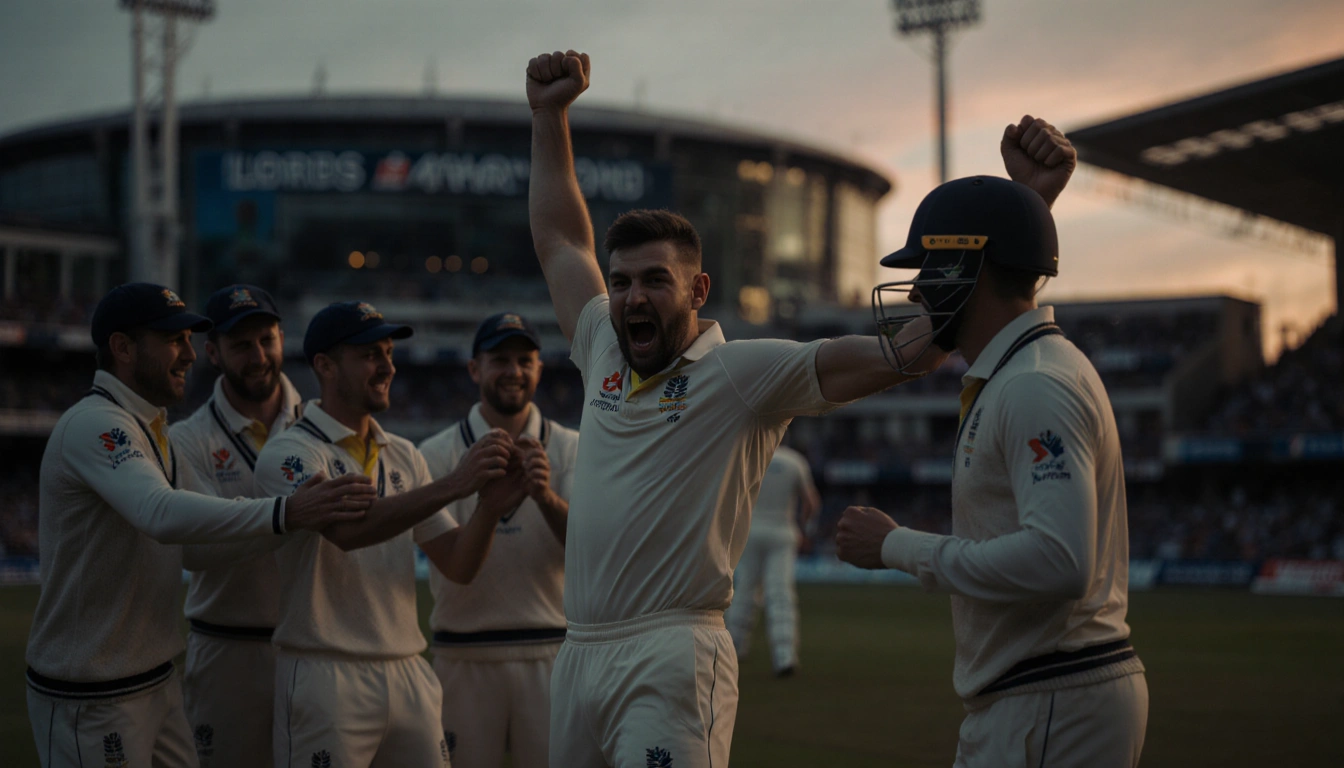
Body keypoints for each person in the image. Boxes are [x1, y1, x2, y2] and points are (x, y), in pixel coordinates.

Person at [524, 49, 1076, 767]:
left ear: (698, 292)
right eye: (623, 280)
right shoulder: (600, 338)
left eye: (656, 280)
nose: (631, 296)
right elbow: (564, 239)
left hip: (671, 651)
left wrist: (1022, 215)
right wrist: (548, 117)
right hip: (578, 650)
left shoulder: (741, 373)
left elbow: (904, 351)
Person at [836, 171, 1147, 767]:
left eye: (927, 267)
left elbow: (1060, 560)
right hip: (1041, 696)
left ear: (966, 266)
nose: (917, 291)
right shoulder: (1020, 373)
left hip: (1054, 696)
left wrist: (898, 546)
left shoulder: (1034, 384)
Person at [25, 283, 373, 768]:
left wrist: (296, 522)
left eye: (189, 340)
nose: (189, 355)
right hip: (93, 690)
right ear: (123, 348)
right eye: (173, 340)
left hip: (155, 679)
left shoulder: (152, 427)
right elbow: (162, 514)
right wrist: (287, 512)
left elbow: (198, 549)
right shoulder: (95, 423)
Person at [252, 300, 524, 768]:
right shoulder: (288, 454)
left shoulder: (402, 454)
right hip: (325, 671)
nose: (387, 366)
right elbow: (346, 533)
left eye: (388, 352)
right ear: (325, 365)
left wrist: (488, 508)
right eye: (370, 354)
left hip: (407, 668)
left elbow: (458, 564)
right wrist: (456, 484)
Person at [419, 311, 580, 768]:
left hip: (553, 653)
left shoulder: (573, 448)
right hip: (462, 653)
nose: (513, 371)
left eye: (525, 360)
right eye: (499, 359)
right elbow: (456, 565)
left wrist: (545, 497)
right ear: (475, 369)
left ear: (540, 368)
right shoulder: (433, 454)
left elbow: (594, 553)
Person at [168, 284, 303, 767]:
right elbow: (196, 547)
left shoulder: (320, 426)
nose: (258, 356)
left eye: (266, 340)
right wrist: (294, 515)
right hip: (226, 649)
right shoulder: (185, 440)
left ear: (282, 338)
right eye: (241, 345)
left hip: (311, 652)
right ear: (213, 353)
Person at [724, 442, 820, 677]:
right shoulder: (795, 461)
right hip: (782, 533)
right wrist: (806, 529)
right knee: (780, 594)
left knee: (744, 590)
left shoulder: (750, 457)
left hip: (751, 532)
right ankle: (784, 656)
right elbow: (811, 502)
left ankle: (733, 650)